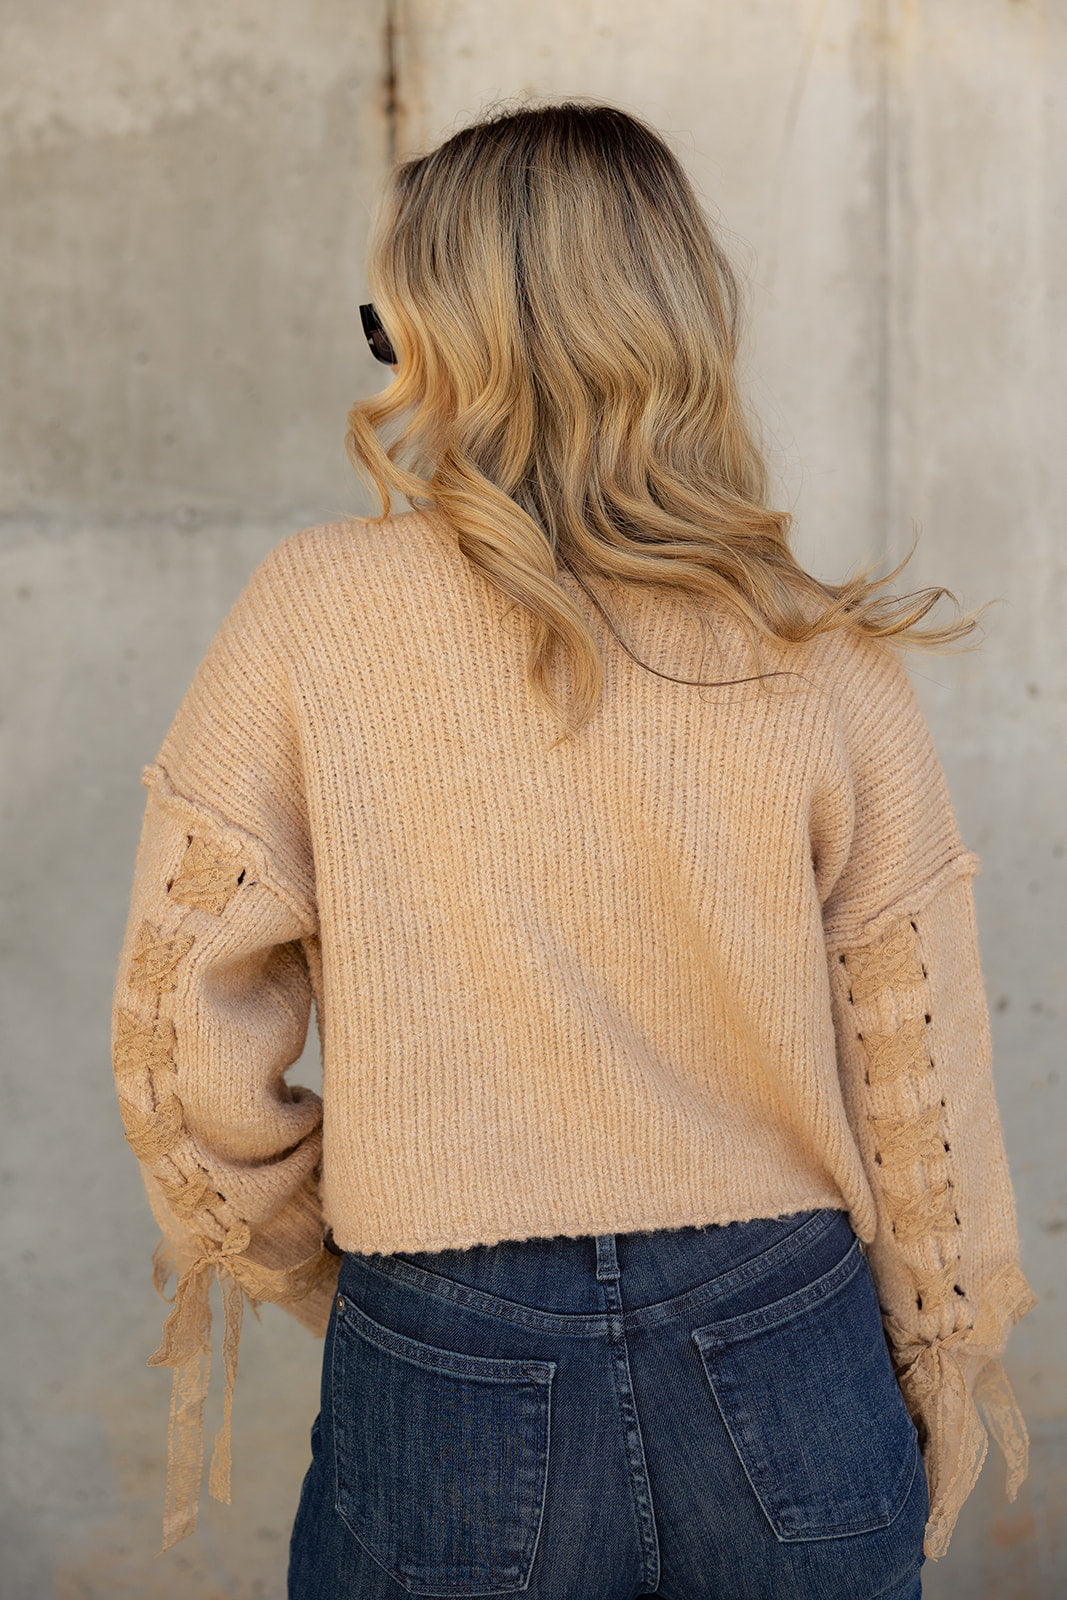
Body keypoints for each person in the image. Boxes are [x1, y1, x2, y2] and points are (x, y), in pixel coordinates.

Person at [109, 102, 1035, 1600]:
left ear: (440, 337)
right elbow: (919, 1072)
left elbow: (178, 1037)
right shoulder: (818, 647)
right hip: (787, 1340)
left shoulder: (312, 614)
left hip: (443, 1330)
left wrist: (327, 1264)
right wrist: (934, 1353)